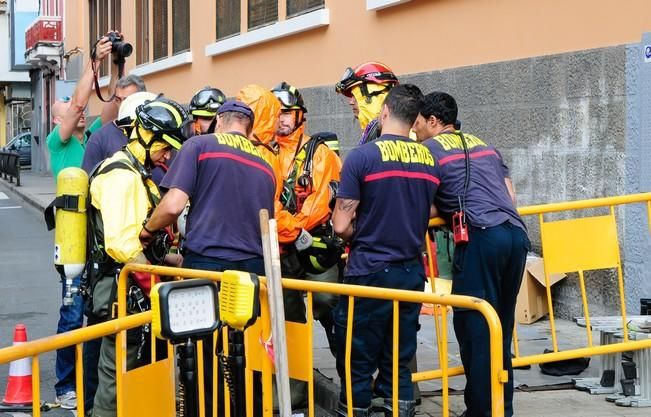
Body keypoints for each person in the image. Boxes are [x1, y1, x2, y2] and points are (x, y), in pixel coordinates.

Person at [139, 100, 276, 417]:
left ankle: (208, 409)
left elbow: (173, 205)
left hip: (208, 267)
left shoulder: (200, 145)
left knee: (202, 352)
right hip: (253, 273)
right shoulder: (266, 165)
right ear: (249, 128)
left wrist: (147, 230)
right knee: (246, 354)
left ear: (218, 121)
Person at [413, 92, 529, 417]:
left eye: (419, 123)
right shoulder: (485, 146)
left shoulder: (429, 150)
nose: (416, 130)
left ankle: (481, 411)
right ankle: (500, 408)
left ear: (433, 121)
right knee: (499, 329)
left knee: (475, 329)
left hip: (481, 237)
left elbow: (424, 205)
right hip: (515, 235)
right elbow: (510, 194)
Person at [332, 84, 438, 417]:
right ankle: (401, 408)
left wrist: (357, 233)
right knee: (399, 355)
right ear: (415, 119)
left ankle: (356, 409)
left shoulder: (362, 157)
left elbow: (339, 225)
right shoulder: (429, 158)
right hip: (410, 271)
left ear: (385, 112)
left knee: (358, 355)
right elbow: (433, 209)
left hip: (370, 270)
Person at [89, 97, 191, 417]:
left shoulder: (137, 172)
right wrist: (157, 287)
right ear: (146, 136)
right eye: (165, 146)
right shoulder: (120, 174)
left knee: (140, 371)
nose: (168, 155)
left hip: (136, 290)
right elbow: (122, 245)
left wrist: (171, 262)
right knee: (118, 373)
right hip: (123, 291)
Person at [45, 33, 115, 411]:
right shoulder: (59, 144)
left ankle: (88, 383)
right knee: (72, 316)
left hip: (99, 241)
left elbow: (108, 109)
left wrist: (113, 68)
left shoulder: (95, 142)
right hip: (73, 245)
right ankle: (64, 385)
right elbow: (79, 102)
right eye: (70, 113)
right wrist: (94, 62)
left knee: (97, 314)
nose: (80, 113)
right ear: (58, 122)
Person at [271, 81, 342, 350]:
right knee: (288, 320)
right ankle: (297, 386)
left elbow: (316, 209)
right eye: (277, 113)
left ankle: (347, 374)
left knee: (327, 303)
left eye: (287, 113)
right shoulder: (266, 152)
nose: (282, 120)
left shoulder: (320, 154)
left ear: (301, 115)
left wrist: (288, 228)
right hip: (281, 249)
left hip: (314, 245)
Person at [81, 76, 149, 173]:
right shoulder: (99, 139)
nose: (122, 105)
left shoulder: (157, 134)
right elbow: (88, 180)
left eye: (127, 100)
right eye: (118, 100)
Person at [335, 61, 399, 145]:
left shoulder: (400, 136)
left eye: (356, 95)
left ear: (376, 95)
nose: (351, 102)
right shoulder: (372, 134)